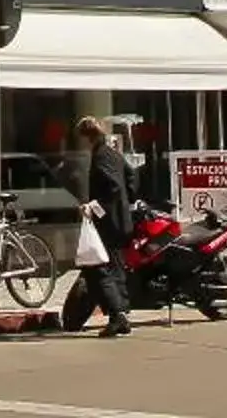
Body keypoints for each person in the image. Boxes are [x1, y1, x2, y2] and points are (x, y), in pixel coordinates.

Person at [74, 116, 134, 337]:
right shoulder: (113, 154)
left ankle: (117, 314)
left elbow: (113, 188)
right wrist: (127, 202)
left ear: (86, 137)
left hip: (109, 223)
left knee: (100, 269)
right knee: (116, 268)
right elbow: (131, 177)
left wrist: (94, 206)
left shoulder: (101, 156)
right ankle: (122, 315)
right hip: (120, 220)